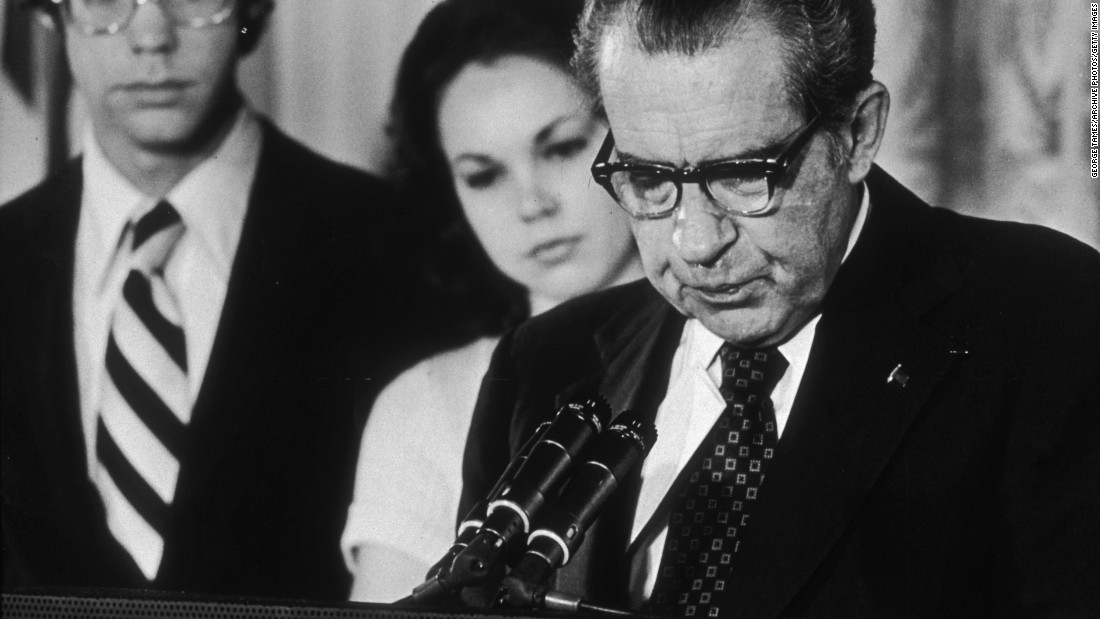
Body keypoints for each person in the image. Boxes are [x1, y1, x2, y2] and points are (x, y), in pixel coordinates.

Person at [460, 0, 1100, 616]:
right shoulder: (543, 363)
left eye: (745, 174)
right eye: (650, 179)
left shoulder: (1054, 320)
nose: (696, 243)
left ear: (858, 133)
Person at [1, 0, 428, 600]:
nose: (151, 35)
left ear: (253, 13)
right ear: (53, 22)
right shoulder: (8, 257)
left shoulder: (397, 249)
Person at [340, 0, 643, 602]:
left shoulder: (733, 354)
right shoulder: (424, 405)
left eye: (561, 148)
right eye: (483, 174)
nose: (531, 203)